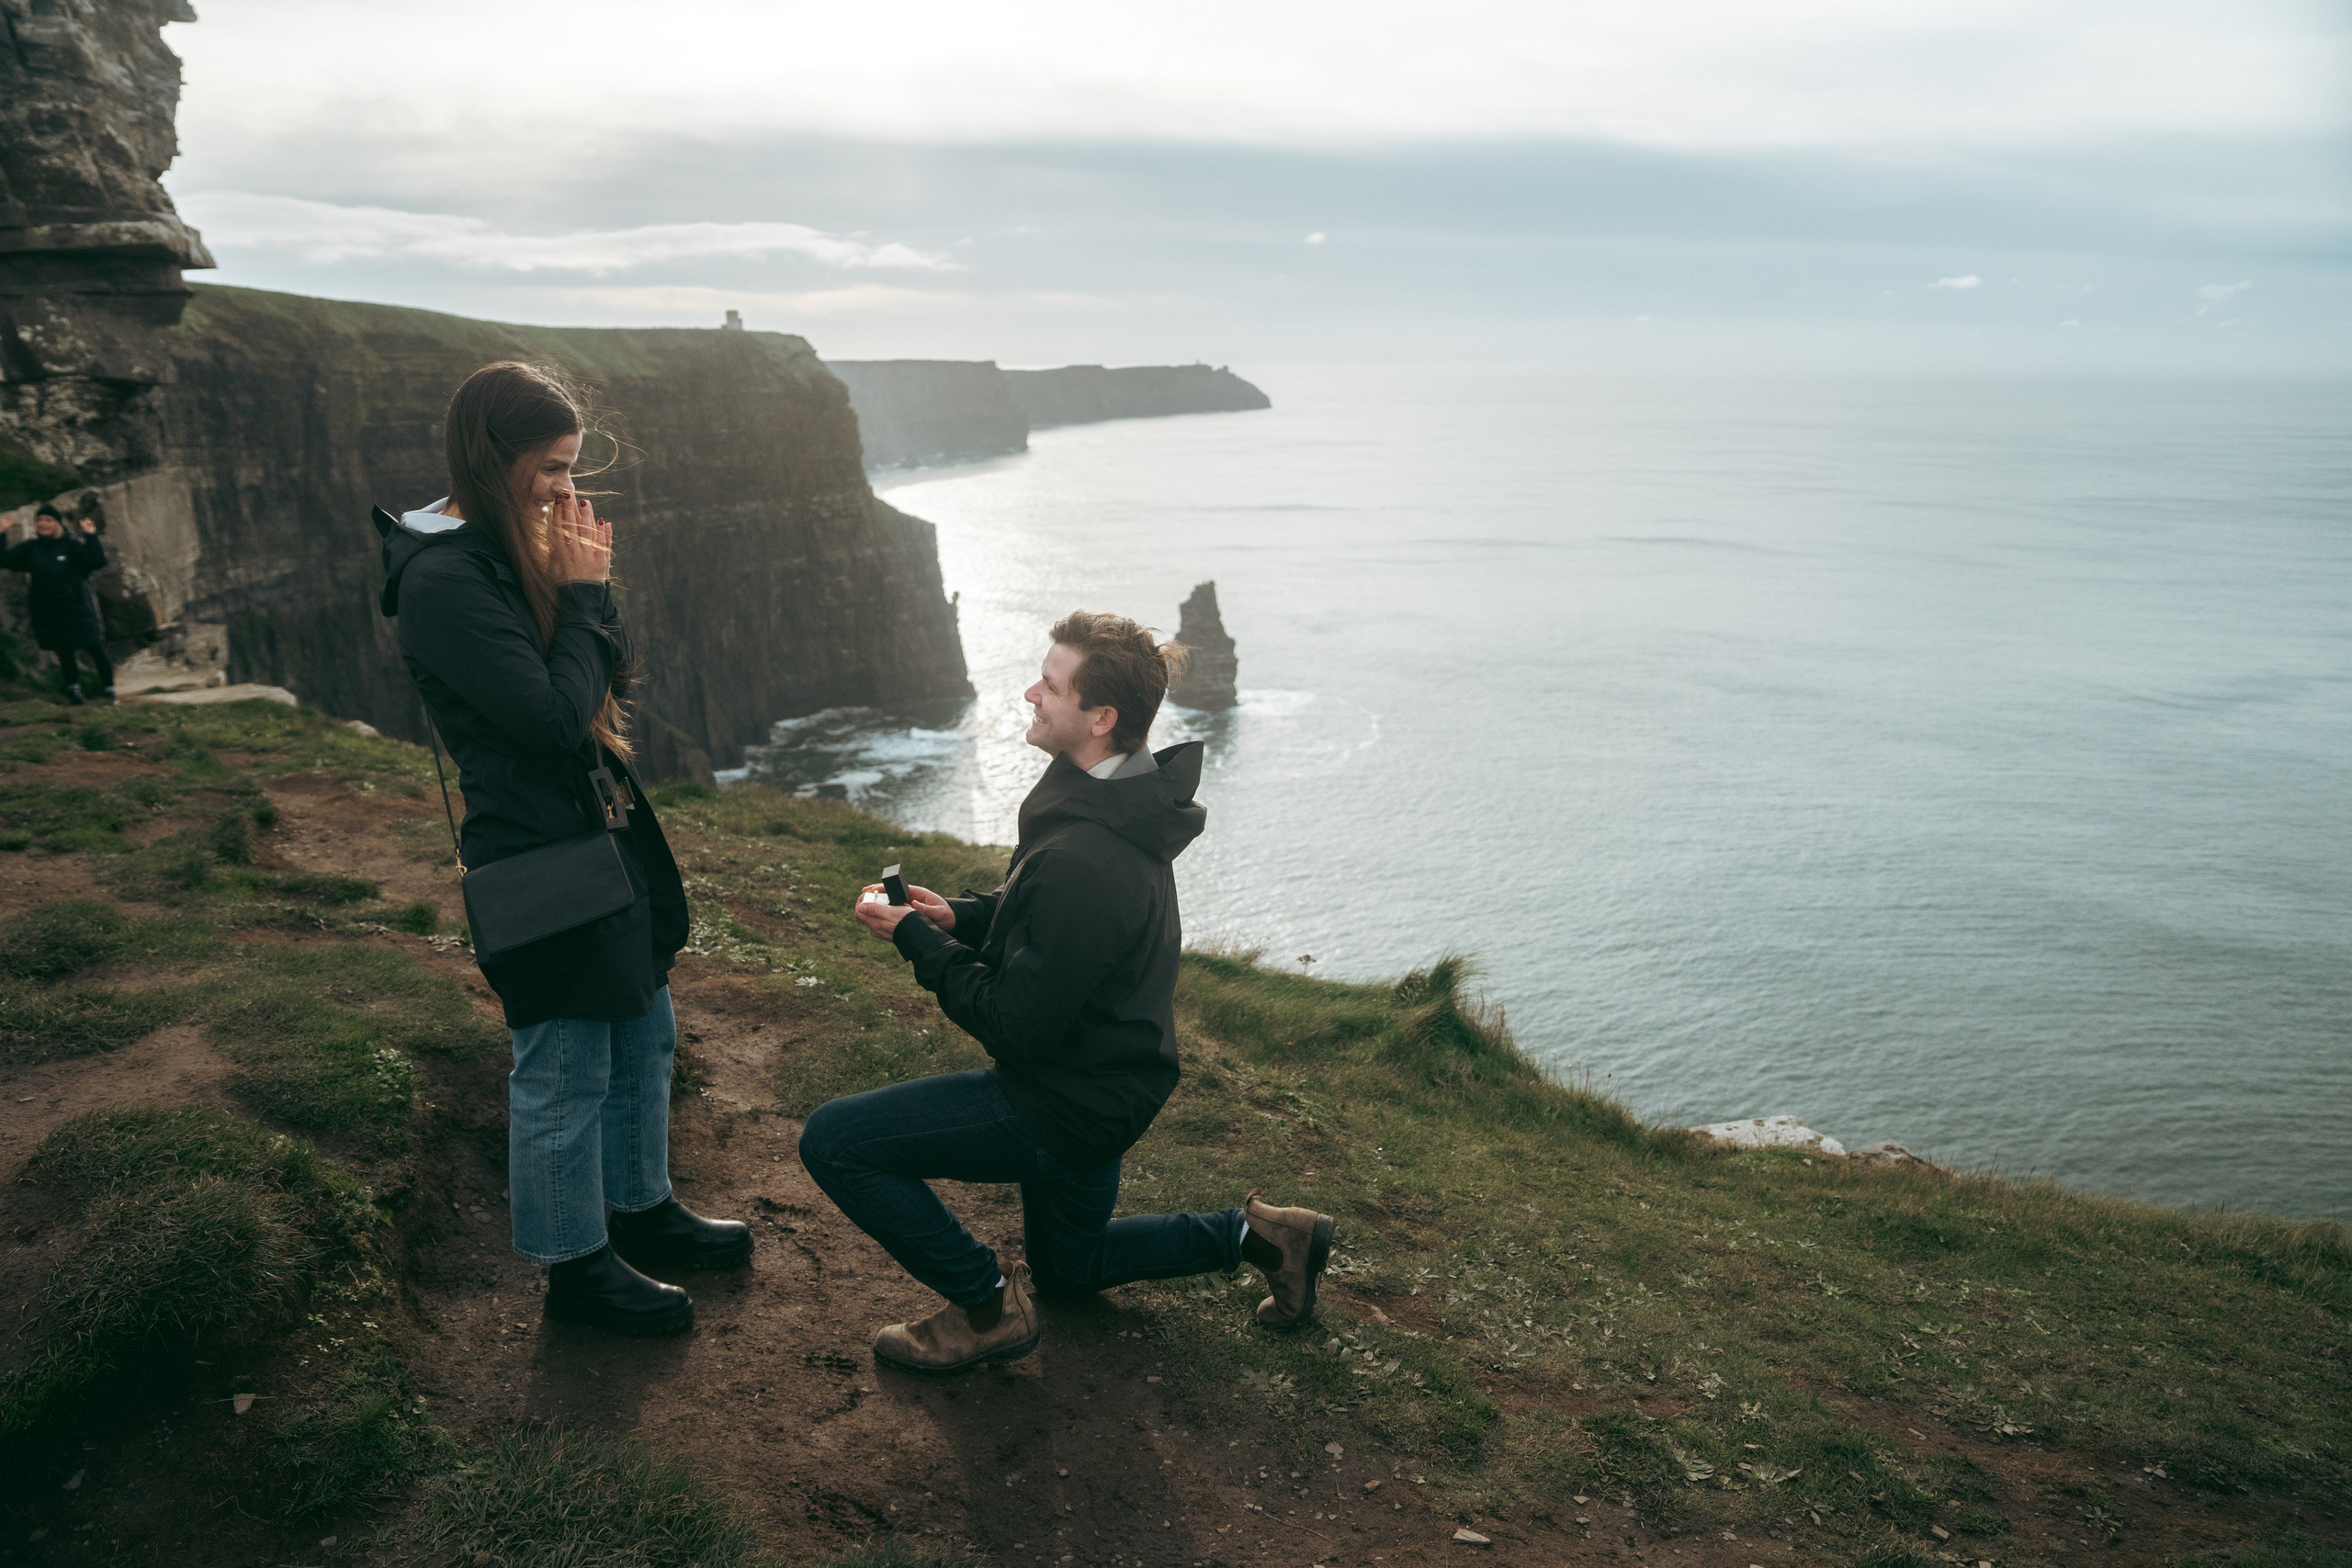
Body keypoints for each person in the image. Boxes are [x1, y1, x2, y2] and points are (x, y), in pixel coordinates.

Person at [799, 611, 1333, 1373]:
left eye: (1049, 686)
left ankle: (985, 1307)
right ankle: (1264, 1238)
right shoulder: (1111, 793)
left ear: (1100, 717)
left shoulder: (1093, 855)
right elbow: (1057, 933)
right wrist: (965, 916)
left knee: (836, 1141)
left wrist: (920, 942)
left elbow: (1017, 1024)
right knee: (1070, 1271)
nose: (1028, 694)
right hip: (1109, 1075)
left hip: (1067, 1099)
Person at [378, 361, 749, 1337]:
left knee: (644, 1032)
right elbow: (548, 718)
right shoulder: (446, 578)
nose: (563, 490)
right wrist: (582, 599)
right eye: (548, 467)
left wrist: (585, 598)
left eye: (572, 468)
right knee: (565, 1061)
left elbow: (609, 662)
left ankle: (642, 1207)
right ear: (491, 458)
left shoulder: (510, 547)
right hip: (538, 849)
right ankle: (574, 1267)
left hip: (597, 832)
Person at [3, 503, 113, 704]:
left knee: (95, 648)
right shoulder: (31, 548)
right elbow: (4, 559)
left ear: (57, 524)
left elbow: (96, 561)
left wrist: (91, 536)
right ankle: (74, 693)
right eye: (39, 520)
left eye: (48, 520)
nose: (43, 524)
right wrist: (1, 534)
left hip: (78, 609)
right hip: (50, 612)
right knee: (64, 652)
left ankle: (110, 692)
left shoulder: (70, 546)